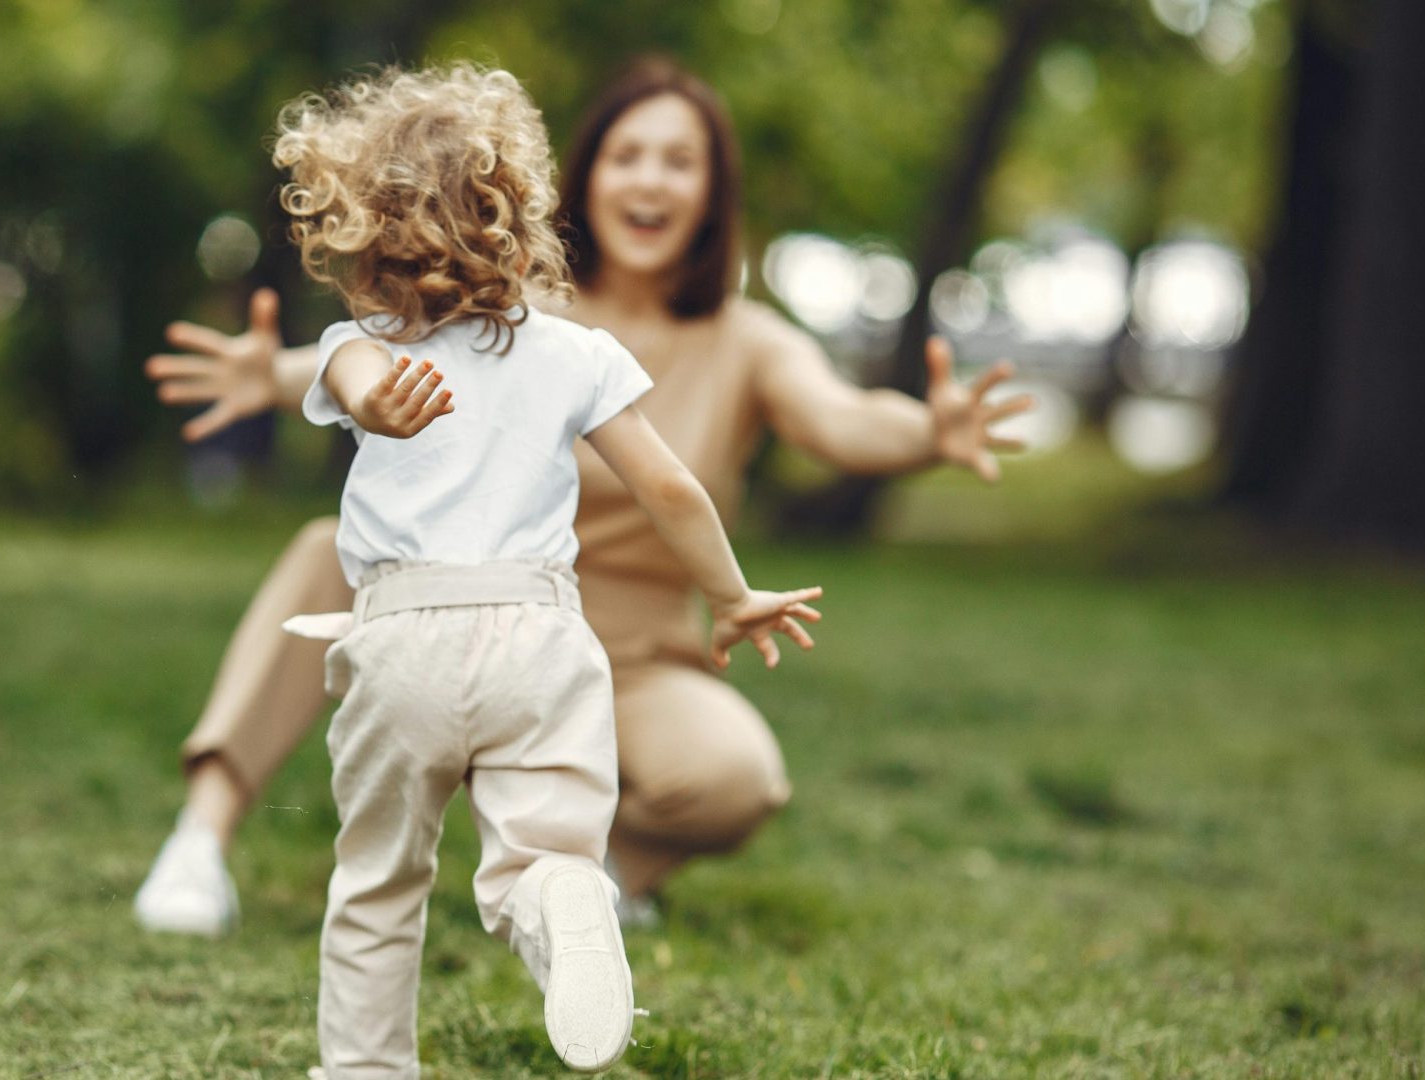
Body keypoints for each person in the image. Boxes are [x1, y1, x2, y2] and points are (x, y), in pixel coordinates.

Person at [136, 56, 1030, 939]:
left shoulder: (748, 342)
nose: (651, 181)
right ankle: (199, 839)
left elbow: (841, 417)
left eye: (680, 162)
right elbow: (385, 347)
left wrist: (925, 434)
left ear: (714, 194)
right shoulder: (514, 307)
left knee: (736, 777)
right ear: (586, 176)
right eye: (628, 154)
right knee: (321, 550)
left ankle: (600, 877)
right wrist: (276, 374)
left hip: (626, 665)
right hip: (453, 611)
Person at [261, 63, 823, 1077]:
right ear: (524, 217)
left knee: (381, 881)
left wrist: (378, 403)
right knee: (541, 857)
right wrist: (732, 596)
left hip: (405, 643)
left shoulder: (361, 348)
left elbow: (351, 380)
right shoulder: (577, 353)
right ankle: (563, 905)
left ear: (366, 233)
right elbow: (674, 490)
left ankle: (365, 1068)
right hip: (545, 644)